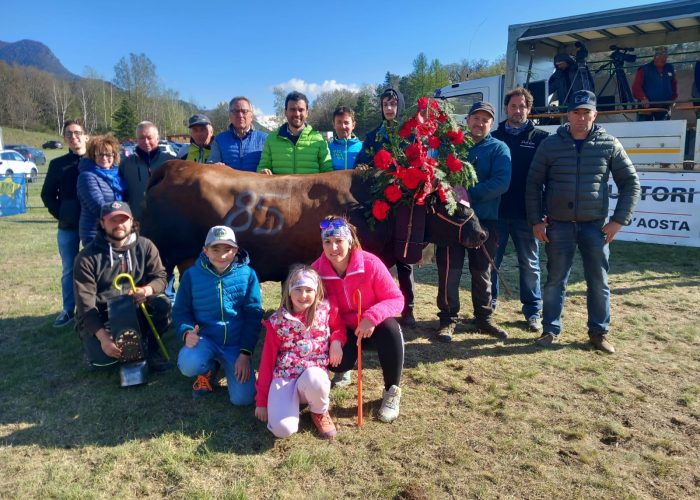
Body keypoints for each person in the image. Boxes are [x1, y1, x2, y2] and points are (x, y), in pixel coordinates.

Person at [525, 90, 641, 353]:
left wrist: (618, 220)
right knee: (555, 280)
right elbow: (533, 185)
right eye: (576, 112)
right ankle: (550, 330)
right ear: (568, 115)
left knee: (598, 281)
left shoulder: (609, 144)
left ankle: (599, 333)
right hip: (559, 225)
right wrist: (536, 220)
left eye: (586, 112)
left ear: (595, 114)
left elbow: (631, 183)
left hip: (595, 227)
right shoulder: (551, 145)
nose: (581, 117)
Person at [312, 215, 405, 423]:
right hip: (343, 329)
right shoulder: (317, 270)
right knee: (337, 363)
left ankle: (392, 391)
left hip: (374, 327)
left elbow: (396, 299)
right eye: (327, 242)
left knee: (391, 329)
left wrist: (372, 317)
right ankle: (344, 370)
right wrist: (335, 338)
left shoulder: (371, 264)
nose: (333, 247)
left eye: (339, 241)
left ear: (350, 241)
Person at [434, 101, 511, 343]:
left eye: (485, 119)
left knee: (482, 272)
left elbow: (501, 182)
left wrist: (468, 194)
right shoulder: (454, 148)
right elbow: (440, 176)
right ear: (467, 120)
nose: (480, 123)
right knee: (449, 271)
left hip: (484, 221)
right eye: (475, 118)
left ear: (491, 123)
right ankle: (448, 318)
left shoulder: (499, 149)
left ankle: (484, 317)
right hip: (452, 222)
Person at [73, 201, 171, 371]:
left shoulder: (146, 246)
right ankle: (100, 344)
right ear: (102, 223)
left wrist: (146, 290)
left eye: (123, 220)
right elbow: (85, 305)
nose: (119, 225)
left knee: (163, 304)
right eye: (112, 220)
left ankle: (151, 348)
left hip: (137, 306)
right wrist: (103, 337)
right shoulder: (86, 258)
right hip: (104, 314)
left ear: (132, 221)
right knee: (105, 362)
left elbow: (161, 278)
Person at [174, 225, 262, 405]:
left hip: (235, 344)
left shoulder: (248, 275)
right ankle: (208, 369)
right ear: (205, 250)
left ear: (236, 250)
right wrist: (186, 332)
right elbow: (181, 310)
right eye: (215, 249)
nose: (222, 255)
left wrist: (245, 354)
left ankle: (230, 365)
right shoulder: (191, 276)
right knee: (188, 363)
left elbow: (253, 315)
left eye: (227, 249)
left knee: (243, 399)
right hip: (206, 339)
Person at [255, 265, 345, 439]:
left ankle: (319, 411)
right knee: (282, 430)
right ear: (289, 291)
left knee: (315, 378)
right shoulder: (277, 322)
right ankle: (287, 404)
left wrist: (336, 341)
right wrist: (261, 401)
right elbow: (267, 362)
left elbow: (339, 327)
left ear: (317, 292)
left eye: (308, 290)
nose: (303, 295)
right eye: (298, 289)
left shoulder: (325, 310)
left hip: (312, 378)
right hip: (286, 377)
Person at [355, 87, 416, 328]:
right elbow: (361, 162)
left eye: (393, 104)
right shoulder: (372, 136)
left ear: (400, 106)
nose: (389, 109)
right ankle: (377, 306)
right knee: (377, 257)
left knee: (404, 257)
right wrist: (364, 168)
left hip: (404, 203)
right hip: (378, 204)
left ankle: (408, 307)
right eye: (385, 105)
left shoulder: (411, 135)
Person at [490, 88, 549, 332]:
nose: (517, 110)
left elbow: (549, 178)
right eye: (513, 106)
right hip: (497, 213)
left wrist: (543, 213)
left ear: (529, 109)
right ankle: (487, 308)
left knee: (530, 264)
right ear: (506, 108)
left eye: (522, 106)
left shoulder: (541, 138)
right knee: (491, 263)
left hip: (528, 214)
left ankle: (533, 311)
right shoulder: (494, 136)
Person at [41, 120, 88, 328]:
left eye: (77, 132)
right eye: (69, 133)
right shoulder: (57, 164)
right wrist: (62, 213)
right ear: (64, 138)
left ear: (85, 135)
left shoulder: (96, 159)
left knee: (96, 267)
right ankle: (68, 310)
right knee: (69, 269)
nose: (73, 137)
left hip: (93, 226)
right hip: (68, 227)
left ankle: (94, 308)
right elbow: (47, 194)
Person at [257, 91, 332, 175]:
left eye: (301, 110)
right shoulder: (271, 140)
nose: (297, 114)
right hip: (281, 188)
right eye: (292, 109)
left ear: (307, 113)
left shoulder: (319, 140)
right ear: (285, 112)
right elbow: (262, 168)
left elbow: (328, 172)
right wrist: (263, 171)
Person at [118, 121, 176, 221]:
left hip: (166, 221)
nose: (146, 141)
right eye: (142, 138)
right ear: (136, 140)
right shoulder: (126, 164)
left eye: (149, 138)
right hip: (136, 222)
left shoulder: (171, 162)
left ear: (157, 139)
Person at [76, 134, 126, 246]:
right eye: (100, 154)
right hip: (95, 233)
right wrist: (124, 218)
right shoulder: (87, 176)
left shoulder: (118, 176)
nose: (104, 158)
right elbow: (97, 206)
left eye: (108, 154)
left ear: (115, 156)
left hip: (116, 231)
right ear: (93, 156)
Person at [208, 96, 268, 171]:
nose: (240, 115)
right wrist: (214, 166)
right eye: (235, 111)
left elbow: (271, 166)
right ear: (229, 115)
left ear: (251, 116)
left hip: (257, 182)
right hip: (228, 182)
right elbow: (211, 165)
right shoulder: (219, 140)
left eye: (244, 111)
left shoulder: (265, 139)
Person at [632, 46, 678, 121]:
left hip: (664, 107)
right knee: (644, 129)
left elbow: (674, 84)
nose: (664, 59)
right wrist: (643, 98)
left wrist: (673, 98)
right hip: (646, 107)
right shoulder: (644, 69)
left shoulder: (669, 68)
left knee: (664, 130)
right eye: (662, 57)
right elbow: (636, 86)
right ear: (655, 57)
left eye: (665, 57)